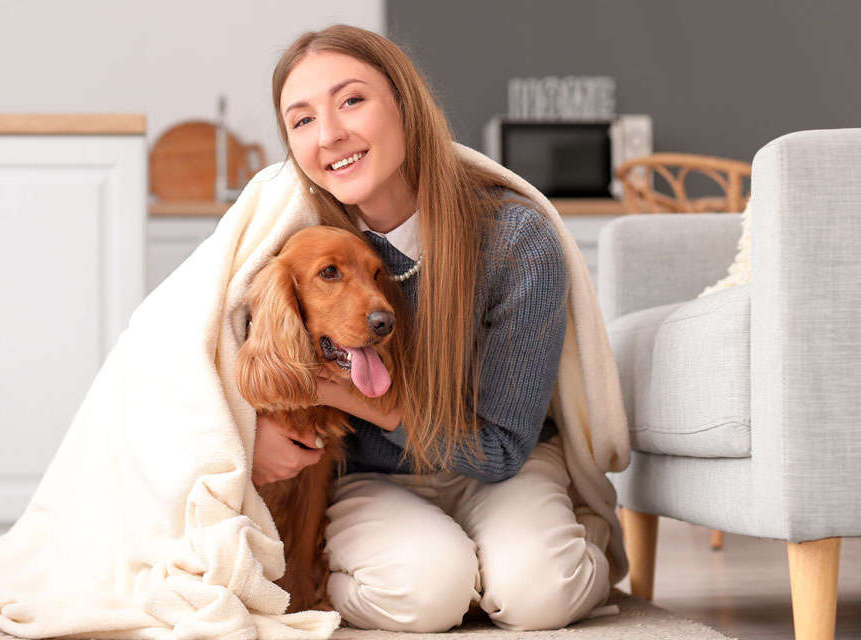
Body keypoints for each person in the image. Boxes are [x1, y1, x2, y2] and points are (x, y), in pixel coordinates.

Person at [253, 24, 613, 632]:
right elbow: (182, 347)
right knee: (426, 595)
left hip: (505, 466)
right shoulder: (287, 235)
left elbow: (499, 451)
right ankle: (451, 576)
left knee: (540, 594)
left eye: (351, 100)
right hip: (375, 477)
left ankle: (564, 550)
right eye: (302, 119)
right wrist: (248, 431)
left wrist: (330, 389)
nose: (331, 133)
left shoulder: (515, 243)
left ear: (404, 103)